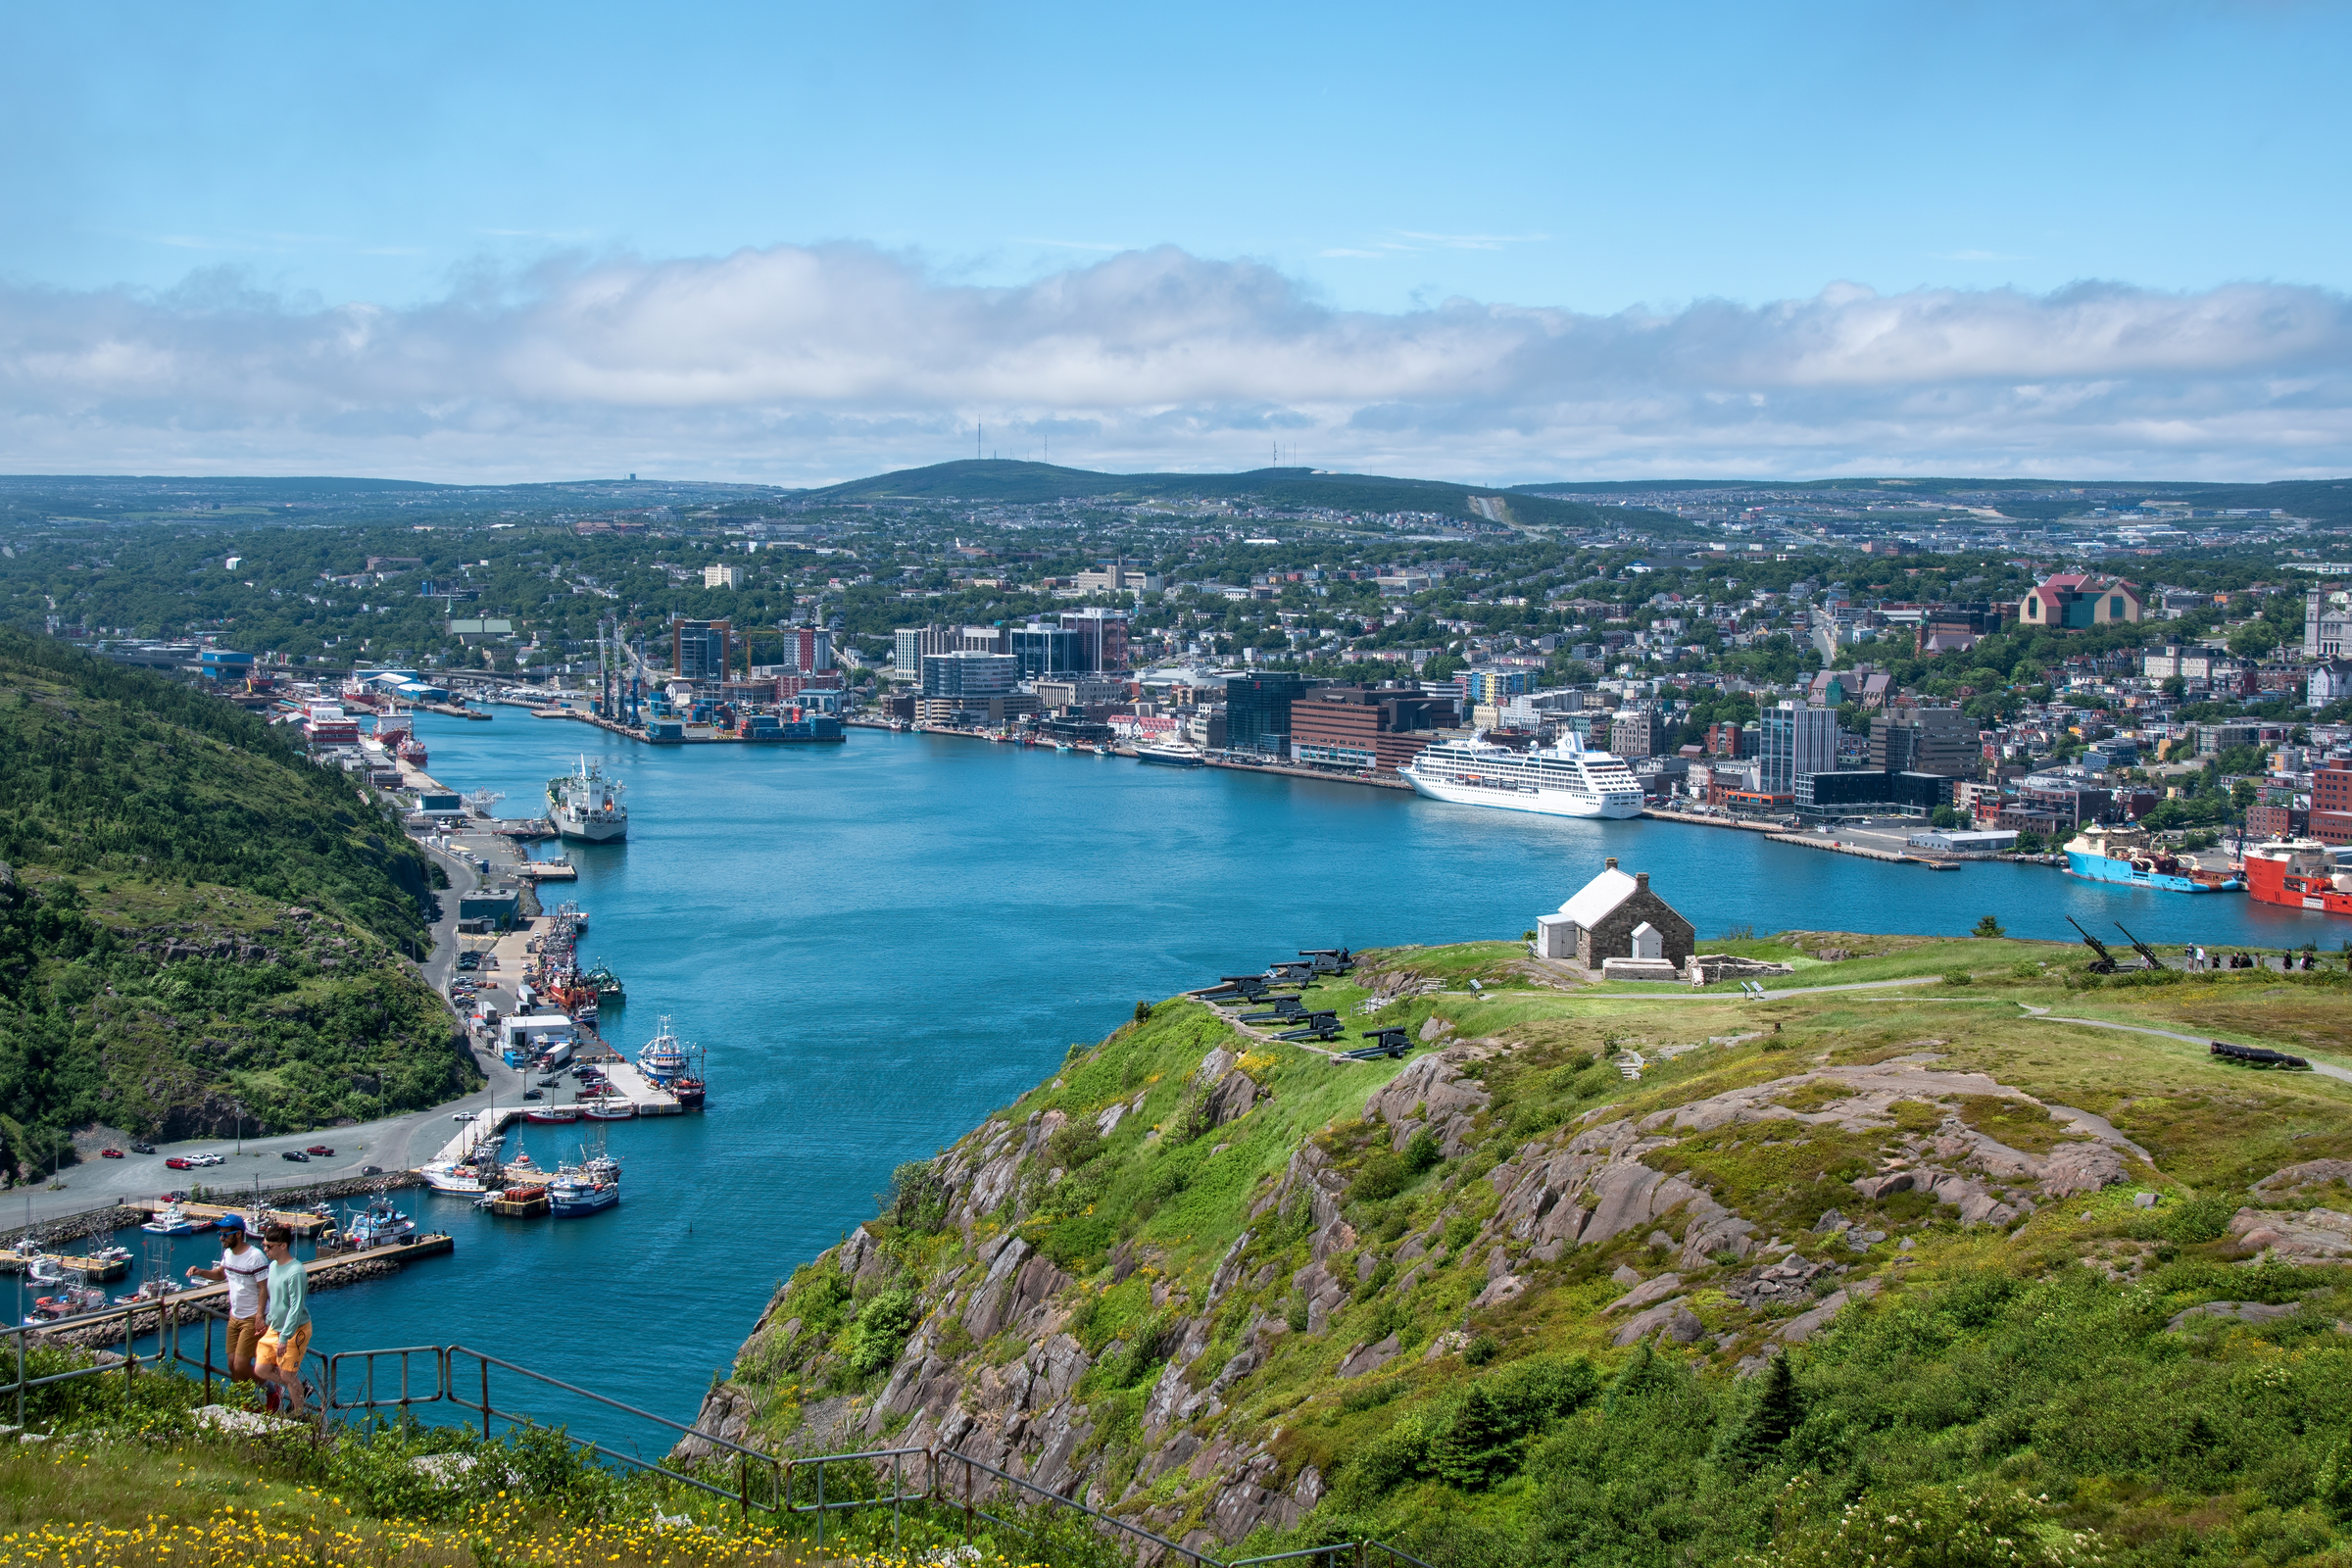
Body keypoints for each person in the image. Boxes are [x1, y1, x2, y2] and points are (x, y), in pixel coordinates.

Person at [184, 1213, 273, 1408]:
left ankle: (271, 1390)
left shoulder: (256, 1257)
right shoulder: (229, 1254)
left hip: (252, 1317)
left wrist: (260, 1316)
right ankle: (249, 1405)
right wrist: (200, 1272)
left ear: (239, 1234)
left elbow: (263, 1288)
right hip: (235, 1315)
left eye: (225, 1235)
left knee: (242, 1365)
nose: (221, 1238)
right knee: (232, 1365)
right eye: (220, 1234)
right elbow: (220, 1274)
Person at [252, 1225, 312, 1420]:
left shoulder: (296, 1272)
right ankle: (298, 1387)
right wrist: (267, 1321)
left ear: (283, 1246)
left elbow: (296, 1307)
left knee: (287, 1375)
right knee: (261, 1369)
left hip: (295, 1330)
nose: (265, 1250)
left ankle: (297, 1415)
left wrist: (285, 1337)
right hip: (274, 1327)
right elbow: (277, 1301)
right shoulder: (273, 1267)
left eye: (269, 1246)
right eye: (264, 1246)